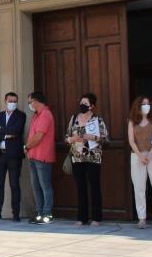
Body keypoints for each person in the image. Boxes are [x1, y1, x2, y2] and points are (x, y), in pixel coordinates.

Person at [66, 92, 108, 227]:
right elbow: (67, 137)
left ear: (92, 106)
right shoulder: (74, 118)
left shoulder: (97, 120)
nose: (82, 105)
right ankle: (81, 218)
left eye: (85, 103)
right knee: (80, 187)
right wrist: (71, 139)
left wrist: (92, 137)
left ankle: (96, 218)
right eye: (81, 102)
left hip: (93, 157)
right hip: (77, 157)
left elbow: (105, 138)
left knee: (94, 187)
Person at [128, 95, 152, 229]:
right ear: (138, 106)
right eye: (144, 104)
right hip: (137, 156)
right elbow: (131, 141)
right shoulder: (132, 121)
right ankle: (141, 218)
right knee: (139, 188)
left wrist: (149, 155)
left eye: (148, 103)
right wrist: (140, 155)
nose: (146, 106)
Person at [0, 92, 26, 222]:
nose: (12, 103)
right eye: (10, 100)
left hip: (14, 156)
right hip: (0, 155)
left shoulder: (21, 115)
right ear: (5, 101)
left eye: (15, 101)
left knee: (14, 184)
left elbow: (16, 130)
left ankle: (16, 214)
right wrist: (5, 135)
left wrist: (1, 130)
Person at [24, 91, 56, 225]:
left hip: (43, 156)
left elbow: (38, 137)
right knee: (35, 186)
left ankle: (47, 213)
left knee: (45, 186)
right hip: (33, 155)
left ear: (36, 101)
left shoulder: (45, 115)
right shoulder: (36, 116)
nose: (30, 105)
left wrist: (26, 147)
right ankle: (38, 212)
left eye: (30, 102)